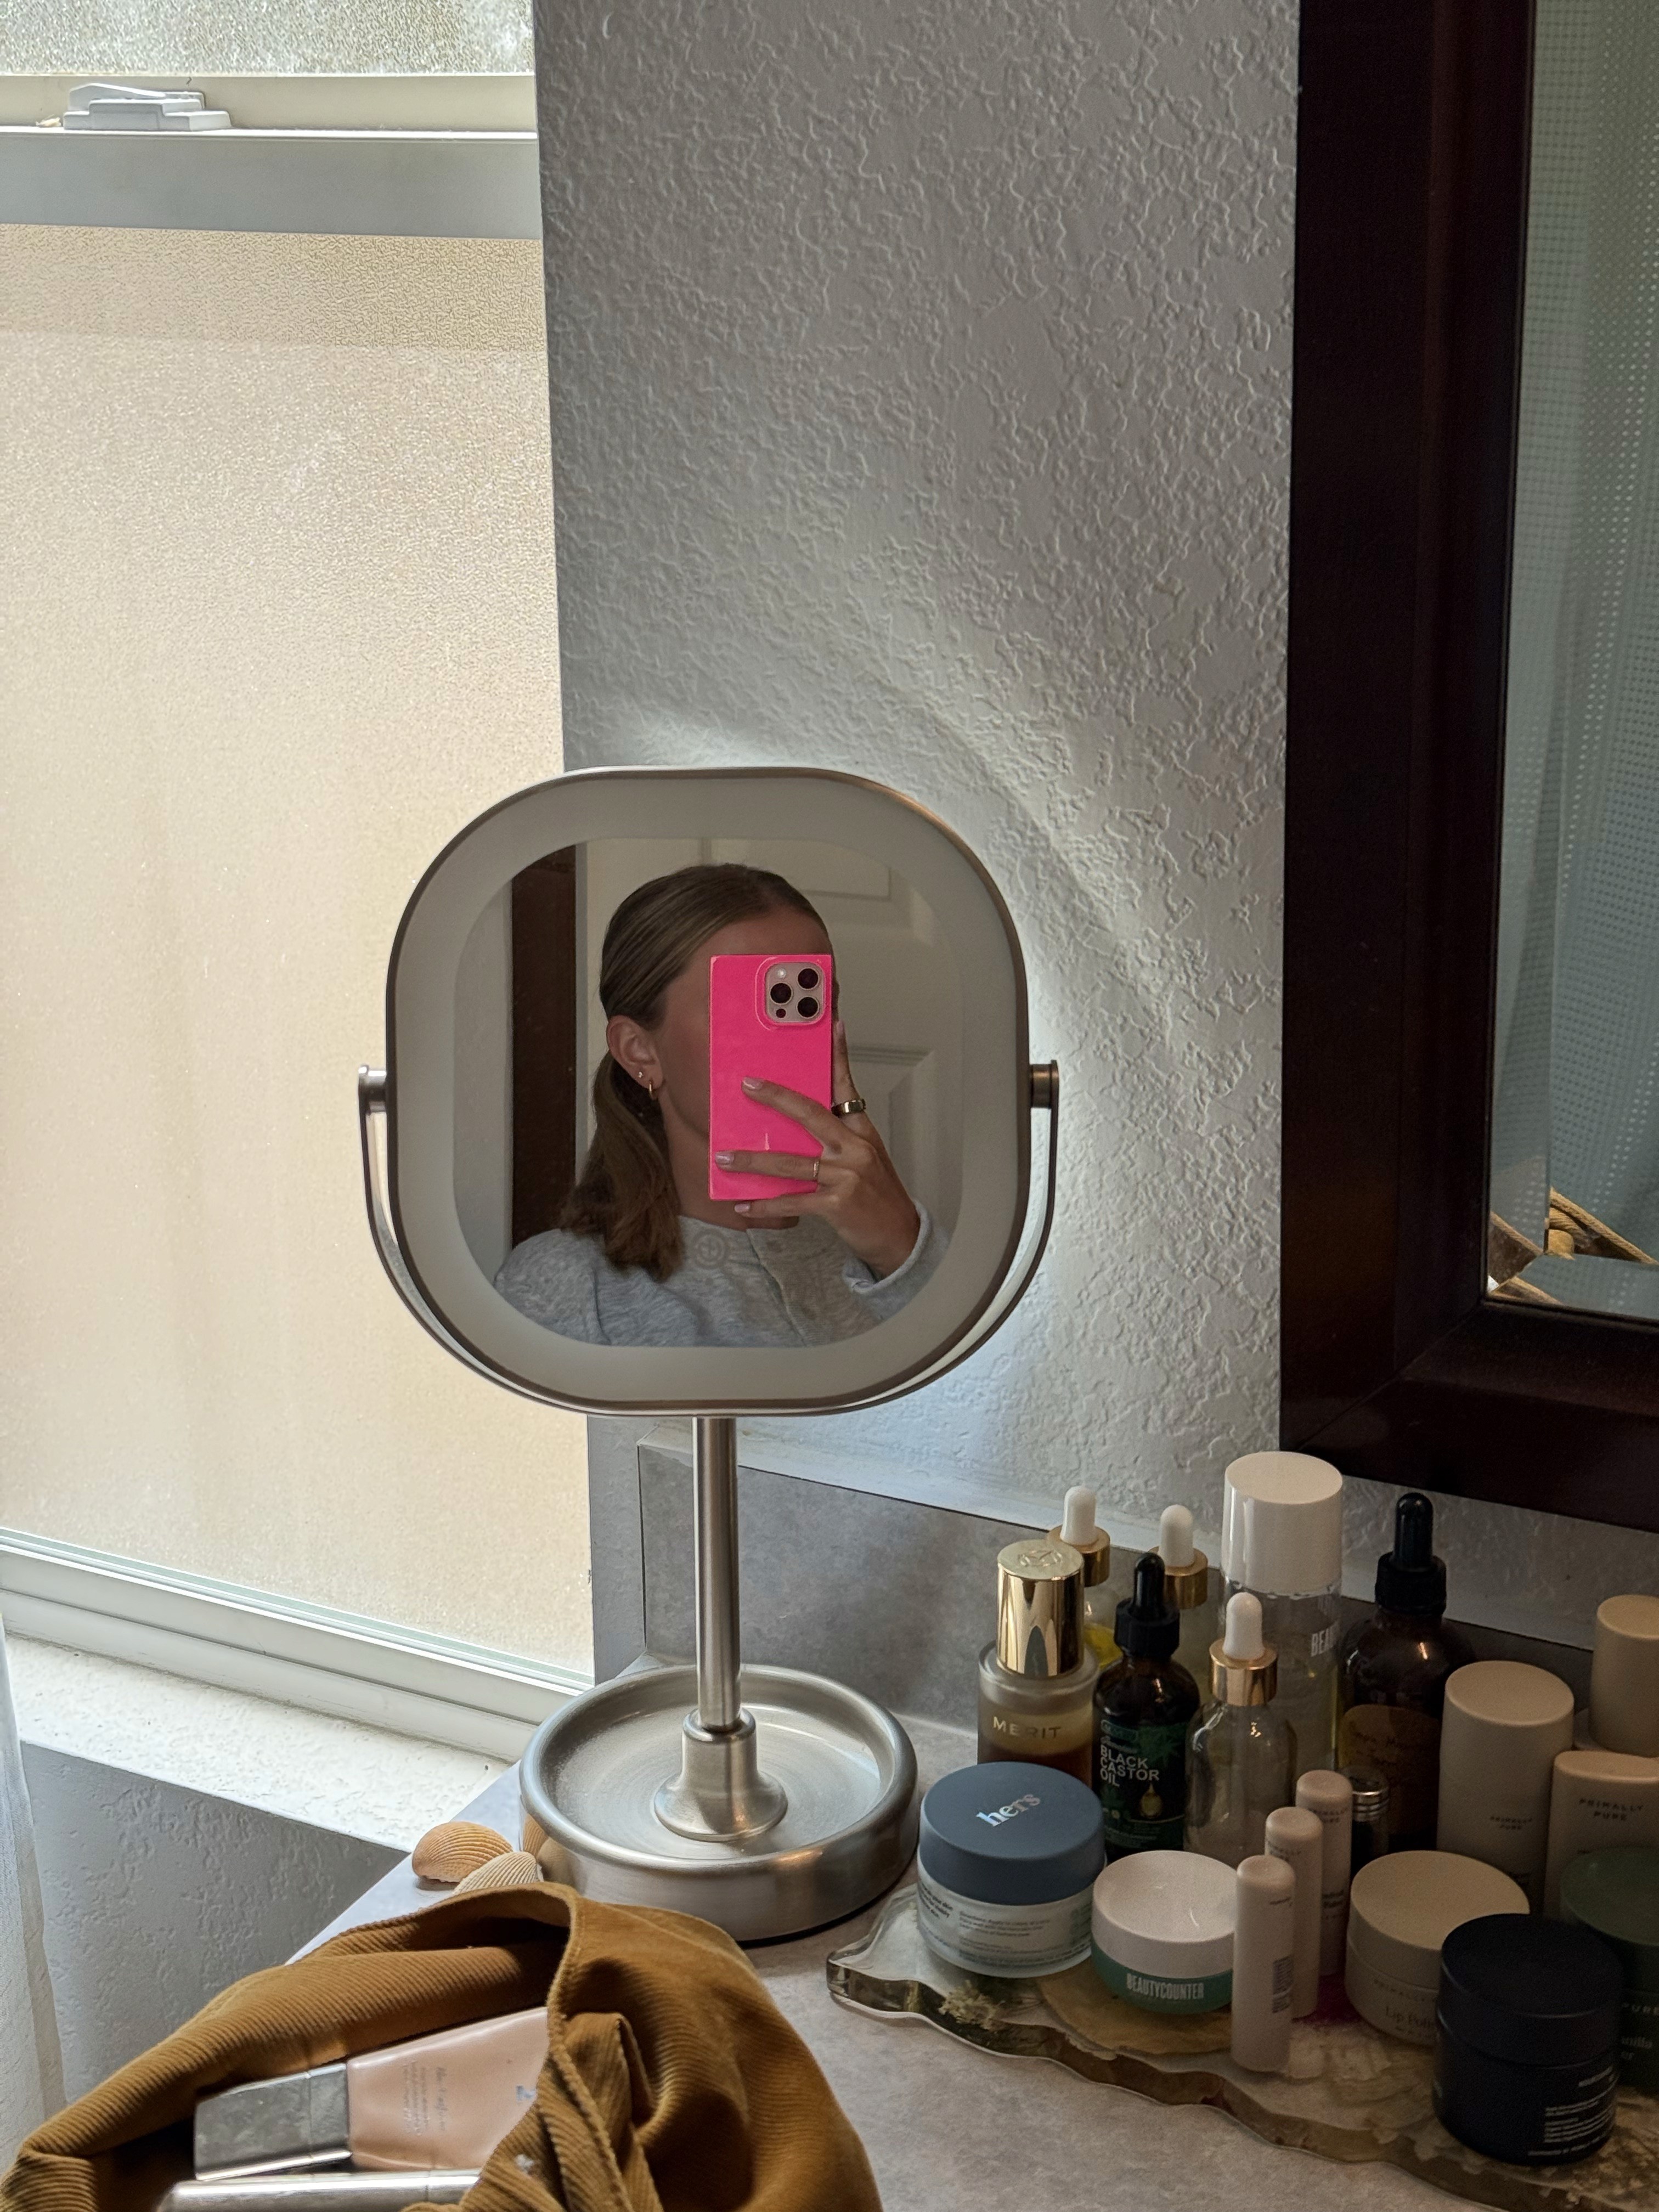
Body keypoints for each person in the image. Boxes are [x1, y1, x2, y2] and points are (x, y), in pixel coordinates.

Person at [495, 863, 943, 1346]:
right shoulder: (567, 1286)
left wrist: (903, 1252)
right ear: (639, 1051)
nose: (780, 1042)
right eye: (741, 1011)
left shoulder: (892, 1260)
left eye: (808, 1003)